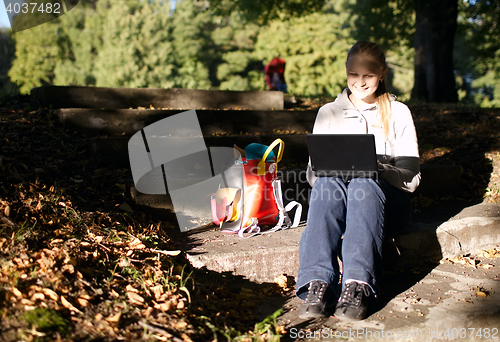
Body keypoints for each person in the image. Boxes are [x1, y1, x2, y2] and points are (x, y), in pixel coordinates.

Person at [296, 41, 421, 321]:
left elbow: (412, 180)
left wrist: (380, 169)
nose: (360, 83)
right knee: (327, 185)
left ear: (382, 74)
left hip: (388, 205)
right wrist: (335, 170)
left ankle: (357, 285)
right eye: (354, 74)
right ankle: (318, 283)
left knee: (365, 184)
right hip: (339, 201)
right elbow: (312, 175)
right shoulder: (328, 112)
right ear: (346, 72)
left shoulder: (399, 113)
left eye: (369, 76)